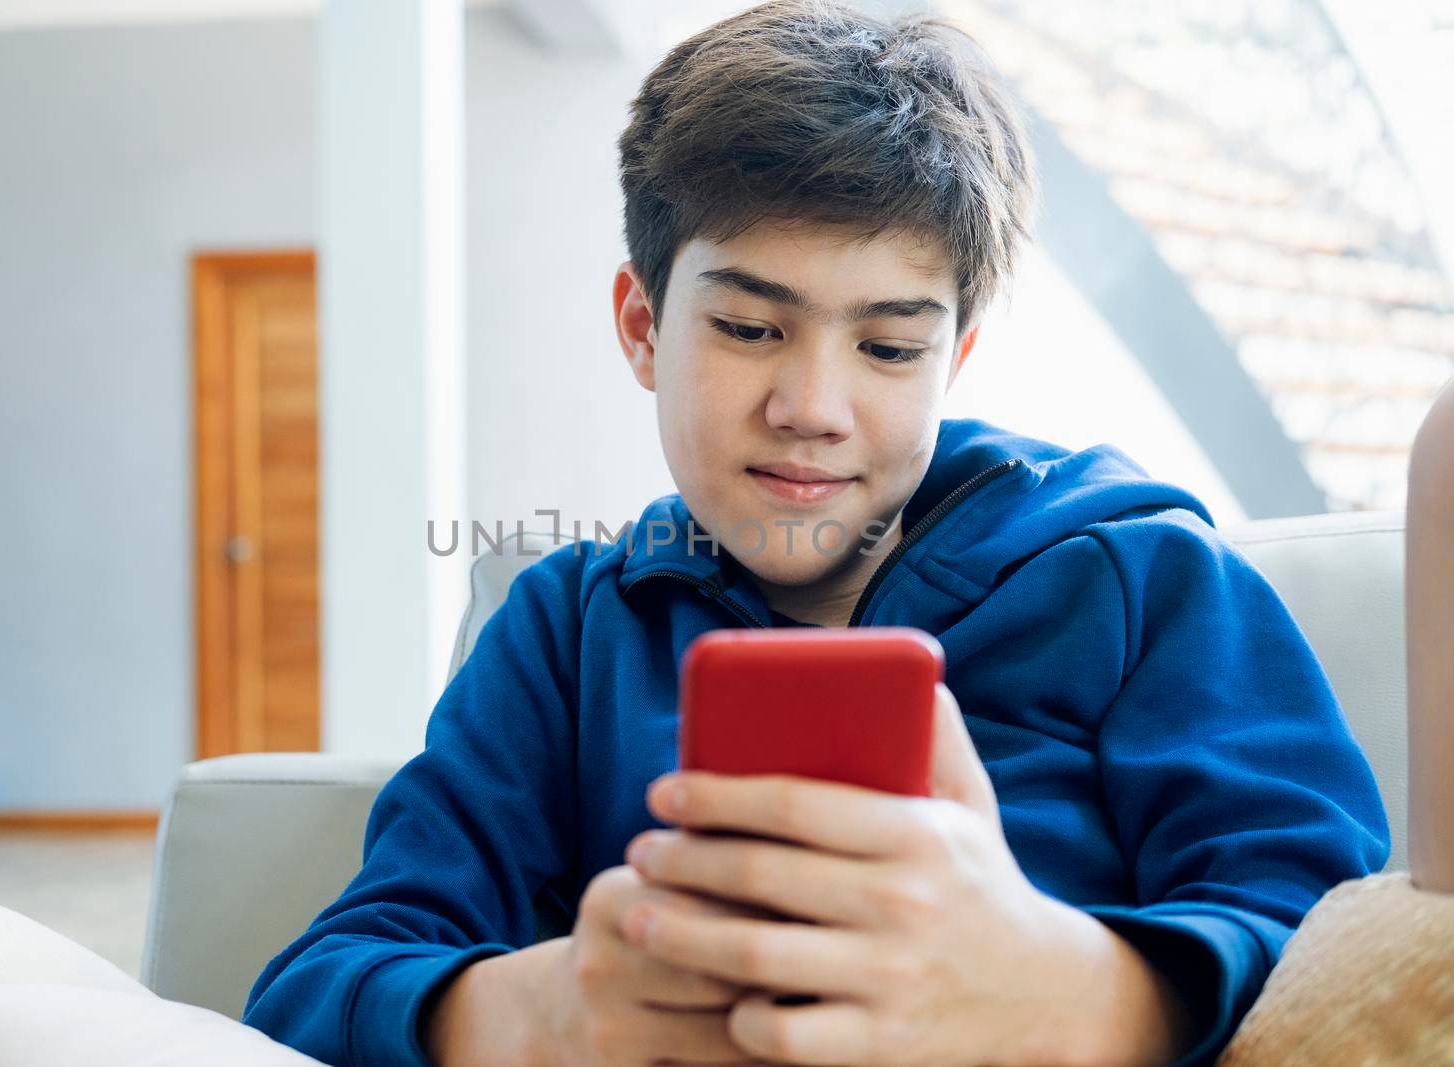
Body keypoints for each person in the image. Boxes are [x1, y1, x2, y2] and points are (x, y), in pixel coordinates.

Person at [242, 3, 1389, 1065]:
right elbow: (319, 981)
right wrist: (540, 1008)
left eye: (888, 348)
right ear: (644, 328)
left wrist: (1077, 991)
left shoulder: (1141, 579)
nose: (812, 406)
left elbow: (1347, 945)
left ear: (955, 356)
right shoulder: (568, 630)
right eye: (748, 326)